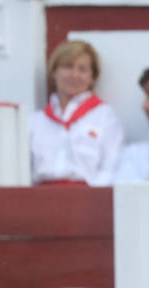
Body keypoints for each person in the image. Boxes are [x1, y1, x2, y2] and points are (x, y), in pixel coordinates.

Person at [29, 39, 123, 186]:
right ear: (54, 72)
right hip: (40, 199)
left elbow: (111, 167)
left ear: (92, 78)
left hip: (88, 199)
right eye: (67, 67)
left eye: (82, 69)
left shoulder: (105, 117)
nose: (74, 75)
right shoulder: (35, 121)